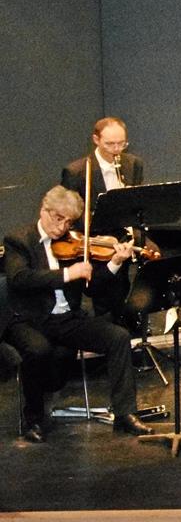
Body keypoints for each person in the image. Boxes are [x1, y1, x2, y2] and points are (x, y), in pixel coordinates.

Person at [3, 186, 155, 442]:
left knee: (118, 337)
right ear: (44, 209)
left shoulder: (73, 243)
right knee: (38, 350)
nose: (62, 227)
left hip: (67, 319)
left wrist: (114, 263)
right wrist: (66, 274)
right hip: (30, 320)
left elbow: (92, 285)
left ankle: (125, 414)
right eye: (58, 218)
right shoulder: (19, 240)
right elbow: (19, 278)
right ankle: (34, 419)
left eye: (69, 221)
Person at [60, 116, 151, 325]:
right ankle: (109, 324)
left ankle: (139, 313)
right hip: (94, 237)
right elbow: (68, 212)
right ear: (96, 140)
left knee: (156, 257)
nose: (117, 149)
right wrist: (93, 225)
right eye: (110, 144)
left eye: (122, 143)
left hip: (124, 230)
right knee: (111, 285)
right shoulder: (76, 171)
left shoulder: (133, 164)